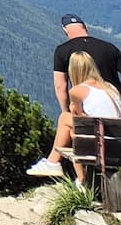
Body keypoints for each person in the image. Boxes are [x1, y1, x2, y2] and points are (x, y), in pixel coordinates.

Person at [28, 15, 121, 179]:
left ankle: (62, 168)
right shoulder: (109, 48)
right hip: (117, 132)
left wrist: (67, 109)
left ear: (65, 31)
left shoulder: (63, 52)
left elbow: (60, 86)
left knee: (71, 123)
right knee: (79, 128)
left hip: (98, 137)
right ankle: (74, 176)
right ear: (86, 28)